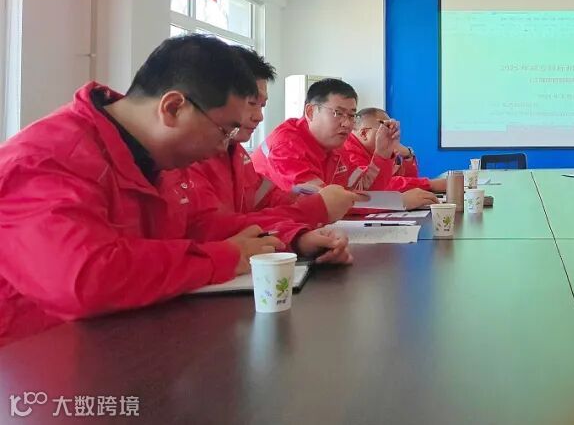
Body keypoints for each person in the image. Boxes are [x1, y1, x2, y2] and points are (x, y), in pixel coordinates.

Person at [0, 35, 350, 347]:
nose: (223, 147)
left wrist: (293, 238)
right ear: (173, 108)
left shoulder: (157, 157)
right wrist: (223, 257)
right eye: (224, 131)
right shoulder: (46, 159)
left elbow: (200, 225)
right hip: (36, 362)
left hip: (126, 344)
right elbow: (84, 280)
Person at [165, 47, 366, 228]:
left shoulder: (235, 152)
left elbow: (265, 202)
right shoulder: (186, 157)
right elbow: (215, 230)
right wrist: (312, 209)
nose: (259, 116)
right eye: (251, 103)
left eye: (262, 105)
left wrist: (299, 237)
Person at [252, 79, 437, 210]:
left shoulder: (335, 146)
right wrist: (397, 202)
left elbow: (362, 187)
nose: (347, 123)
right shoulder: (286, 146)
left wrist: (382, 154)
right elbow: (324, 202)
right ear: (310, 112)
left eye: (351, 115)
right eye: (338, 113)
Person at [343, 108, 446, 193]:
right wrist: (430, 184)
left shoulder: (380, 149)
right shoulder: (348, 151)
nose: (391, 133)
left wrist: (407, 156)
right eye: (385, 128)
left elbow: (408, 180)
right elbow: (381, 187)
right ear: (364, 134)